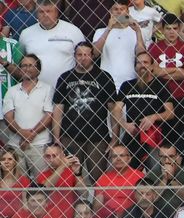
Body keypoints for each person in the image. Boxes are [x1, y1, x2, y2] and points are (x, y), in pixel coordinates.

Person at [52, 41, 115, 183]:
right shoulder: (65, 77)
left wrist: (114, 138)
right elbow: (58, 109)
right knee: (71, 175)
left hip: (98, 135)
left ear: (93, 56)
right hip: (70, 134)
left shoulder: (104, 77)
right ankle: (76, 205)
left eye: (86, 54)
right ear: (74, 56)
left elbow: (113, 109)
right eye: (79, 54)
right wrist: (56, 137)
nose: (83, 58)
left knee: (98, 177)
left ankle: (96, 204)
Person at [113, 51, 174, 168]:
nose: (142, 65)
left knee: (155, 172)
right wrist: (124, 125)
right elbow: (116, 110)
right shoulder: (127, 85)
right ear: (135, 66)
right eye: (139, 63)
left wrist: (154, 117)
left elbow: (170, 112)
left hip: (154, 136)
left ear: (152, 66)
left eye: (145, 62)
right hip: (132, 134)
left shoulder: (161, 84)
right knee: (128, 170)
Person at [2, 53, 52, 175]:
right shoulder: (12, 91)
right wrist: (23, 134)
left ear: (38, 69)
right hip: (16, 147)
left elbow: (49, 115)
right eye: (23, 65)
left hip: (40, 145)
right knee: (19, 185)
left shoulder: (47, 88)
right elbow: (8, 117)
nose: (26, 68)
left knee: (41, 184)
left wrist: (31, 135)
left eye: (30, 65)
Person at [18, 1, 85, 90]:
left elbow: (84, 57)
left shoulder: (73, 31)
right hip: (35, 91)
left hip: (67, 89)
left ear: (56, 12)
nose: (45, 15)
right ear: (36, 13)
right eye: (41, 12)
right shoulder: (26, 34)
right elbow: (20, 61)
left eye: (49, 11)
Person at [93, 3, 146, 91]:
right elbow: (95, 53)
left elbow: (141, 54)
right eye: (116, 9)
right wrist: (109, 28)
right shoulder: (100, 31)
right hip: (106, 81)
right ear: (110, 12)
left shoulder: (135, 31)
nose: (119, 12)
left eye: (122, 9)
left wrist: (138, 31)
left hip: (129, 81)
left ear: (128, 12)